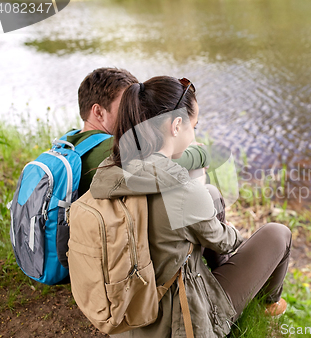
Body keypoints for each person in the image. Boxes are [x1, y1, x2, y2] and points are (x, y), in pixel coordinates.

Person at [89, 76, 292, 337]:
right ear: (176, 126)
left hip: (129, 311)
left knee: (212, 195)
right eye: (194, 126)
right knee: (278, 234)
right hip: (180, 320)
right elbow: (225, 241)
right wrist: (226, 227)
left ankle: (224, 270)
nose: (194, 134)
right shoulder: (183, 193)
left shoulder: (109, 170)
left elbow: (164, 166)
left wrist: (199, 182)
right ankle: (269, 304)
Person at [68, 67, 210, 197]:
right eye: (127, 106)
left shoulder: (69, 141)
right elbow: (165, 164)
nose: (136, 112)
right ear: (98, 112)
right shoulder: (115, 146)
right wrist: (201, 153)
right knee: (203, 181)